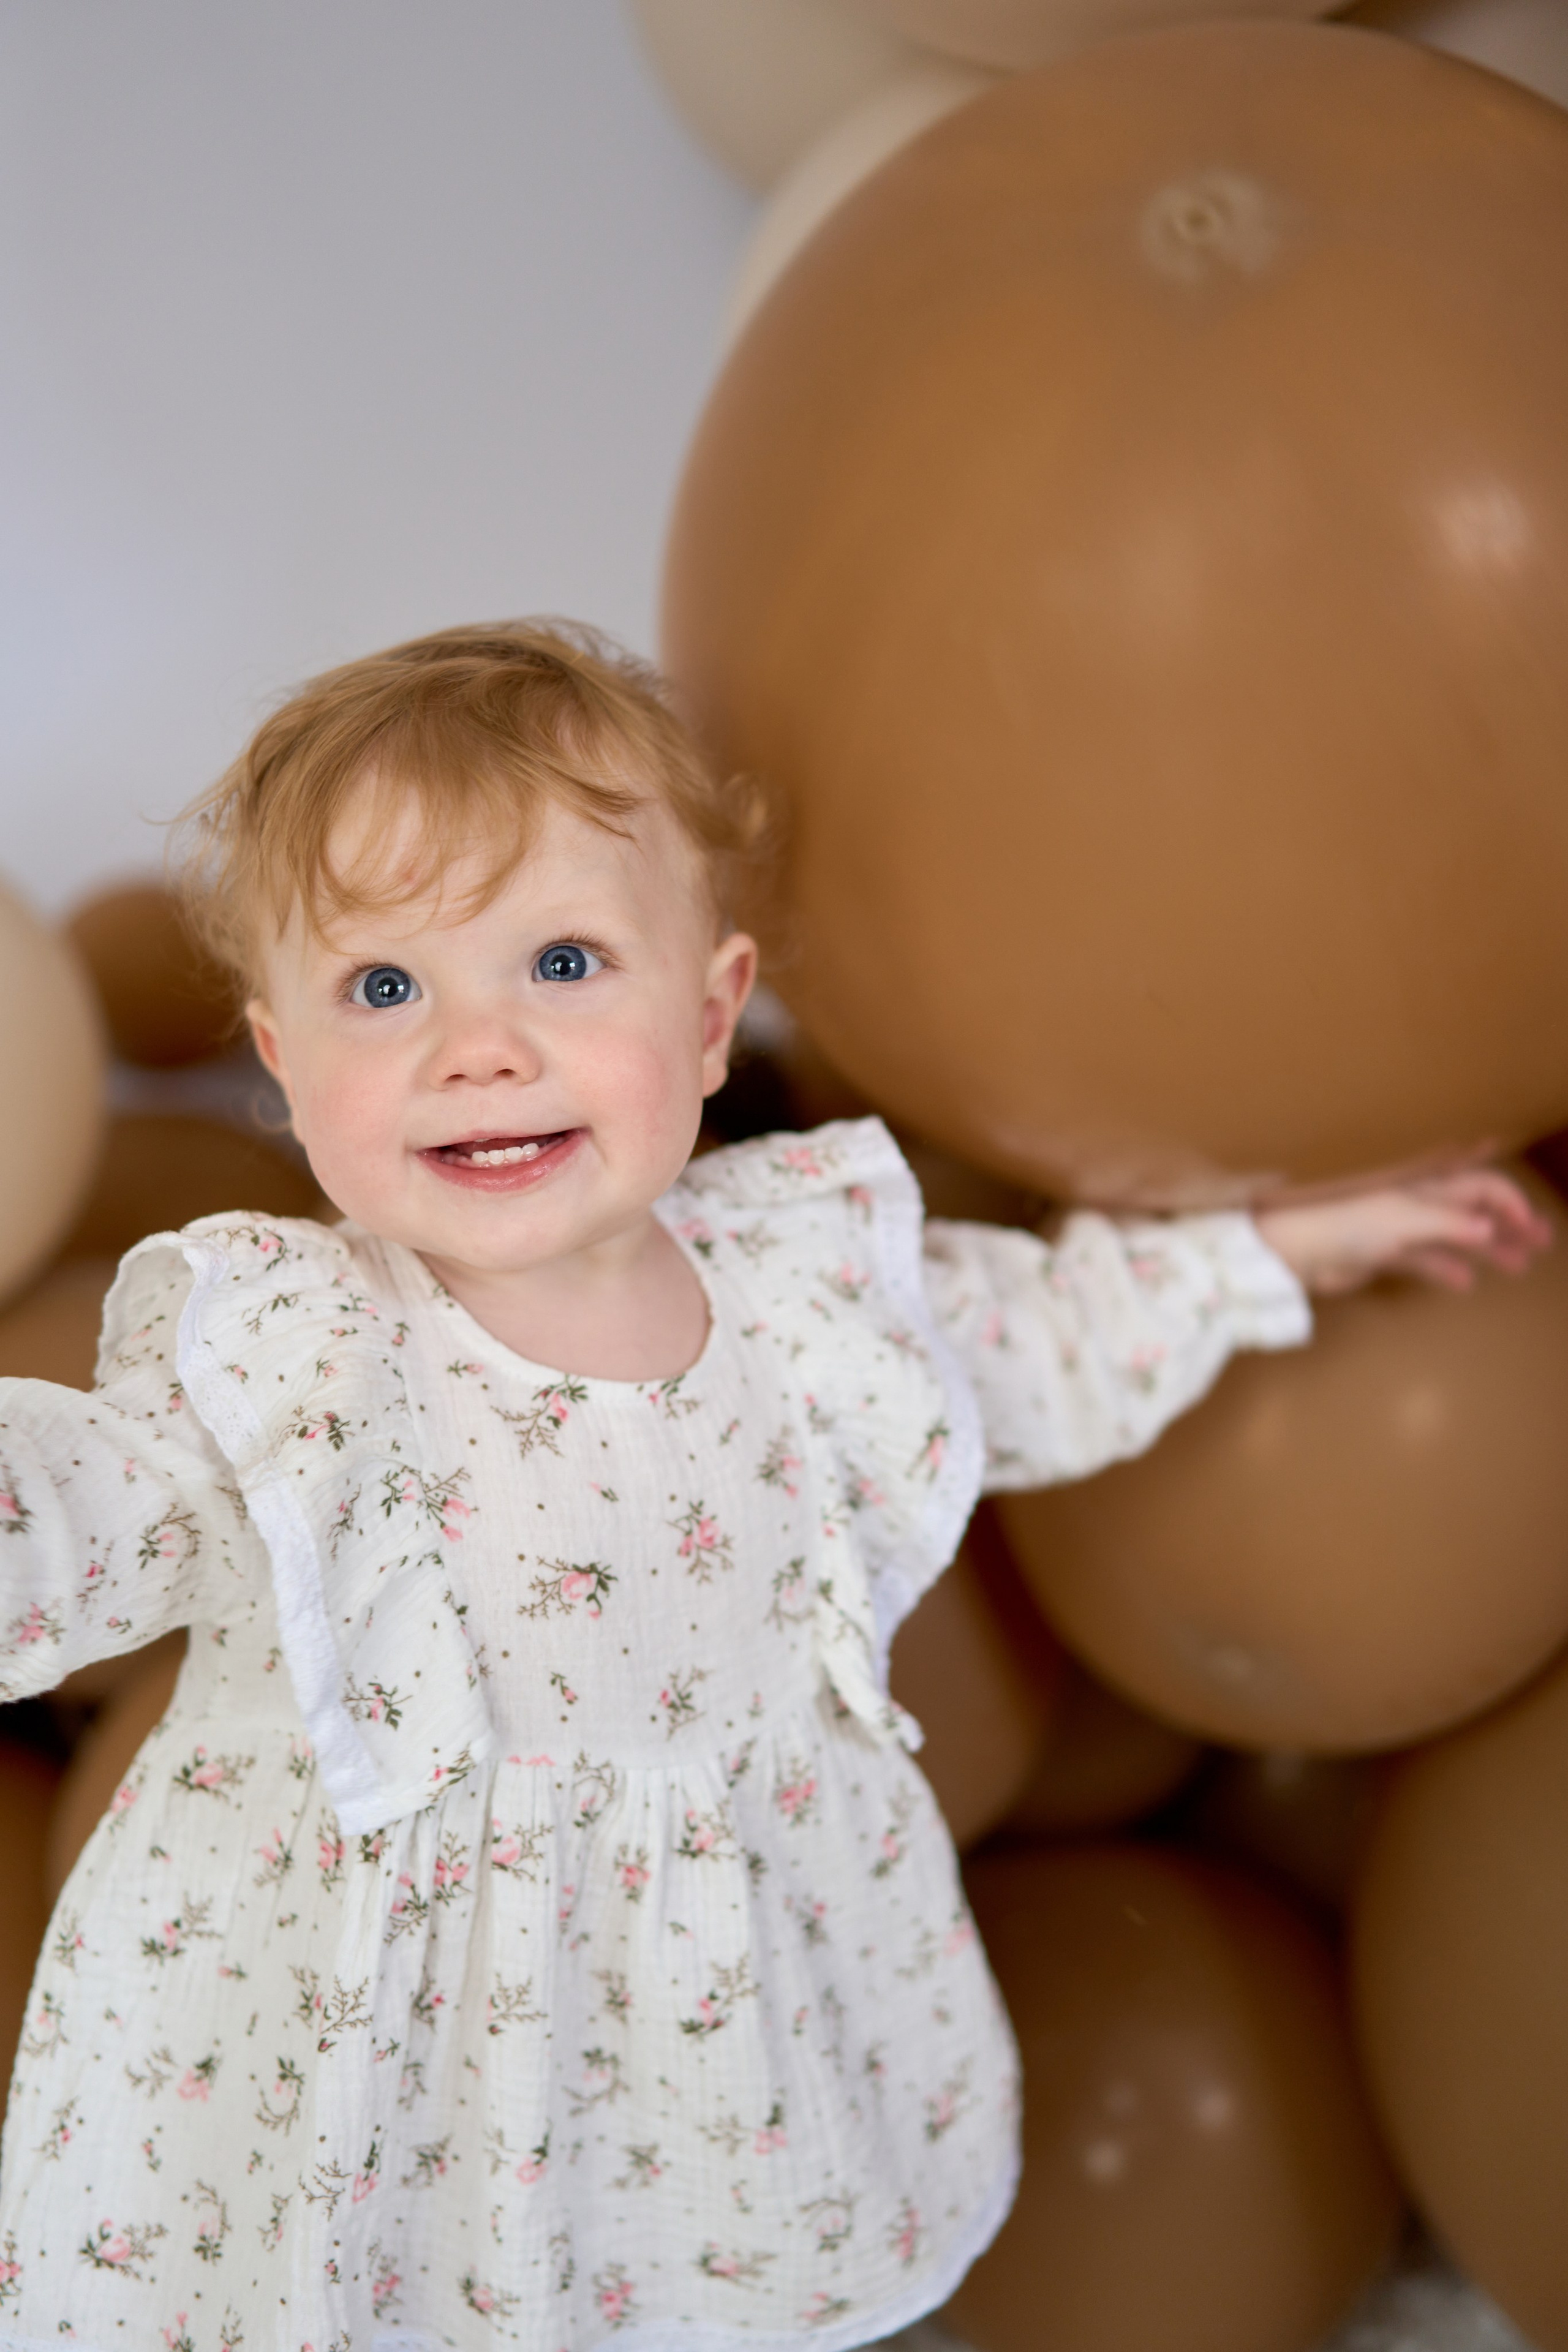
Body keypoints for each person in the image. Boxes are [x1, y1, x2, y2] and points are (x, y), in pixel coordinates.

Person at [0, 622, 1545, 2352]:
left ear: (716, 1012)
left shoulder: (802, 1291)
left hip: (700, 2053)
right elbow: (78, 1501)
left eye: (565, 961)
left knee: (677, 2300)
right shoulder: (301, 1360)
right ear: (282, 1064)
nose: (478, 1046)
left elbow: (1031, 1337)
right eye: (385, 989)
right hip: (379, 2078)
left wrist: (1277, 1244)